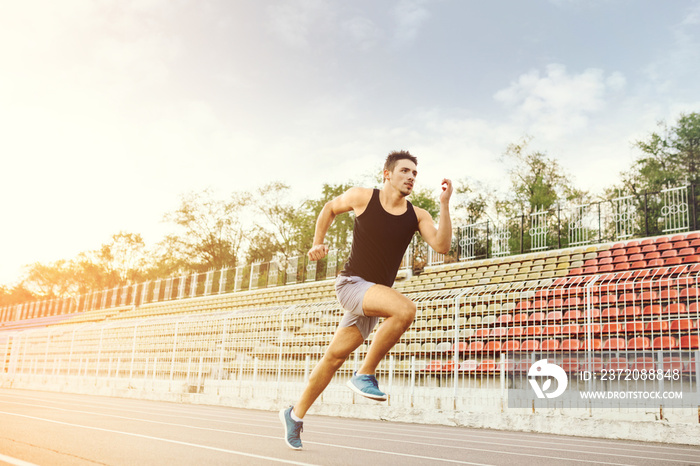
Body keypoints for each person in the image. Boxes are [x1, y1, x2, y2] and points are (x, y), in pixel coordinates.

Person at [280, 150, 452, 450]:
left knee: (333, 358)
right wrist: (317, 242)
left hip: (373, 294)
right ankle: (365, 373)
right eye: (405, 171)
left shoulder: (417, 215)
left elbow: (442, 245)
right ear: (387, 174)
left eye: (415, 173)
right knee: (405, 309)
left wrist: (444, 205)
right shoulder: (362, 197)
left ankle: (294, 414)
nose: (411, 177)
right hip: (352, 284)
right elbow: (329, 208)